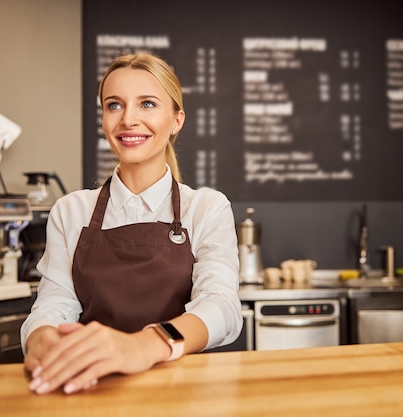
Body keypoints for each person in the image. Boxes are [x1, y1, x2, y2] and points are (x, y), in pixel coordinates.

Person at [21, 52, 242, 395]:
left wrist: (144, 345)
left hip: (184, 390)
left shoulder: (207, 208)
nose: (128, 119)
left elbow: (222, 307)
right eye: (114, 105)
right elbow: (53, 305)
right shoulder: (70, 211)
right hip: (94, 387)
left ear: (177, 120)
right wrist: (41, 340)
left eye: (148, 104)